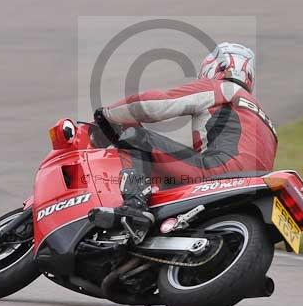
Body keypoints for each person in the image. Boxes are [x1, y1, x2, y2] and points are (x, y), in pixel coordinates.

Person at [89, 43, 278, 240]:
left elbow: (155, 104)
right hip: (250, 188)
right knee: (166, 167)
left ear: (214, 67)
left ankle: (134, 209)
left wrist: (107, 114)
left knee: (136, 138)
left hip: (217, 172)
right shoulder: (267, 122)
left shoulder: (223, 88)